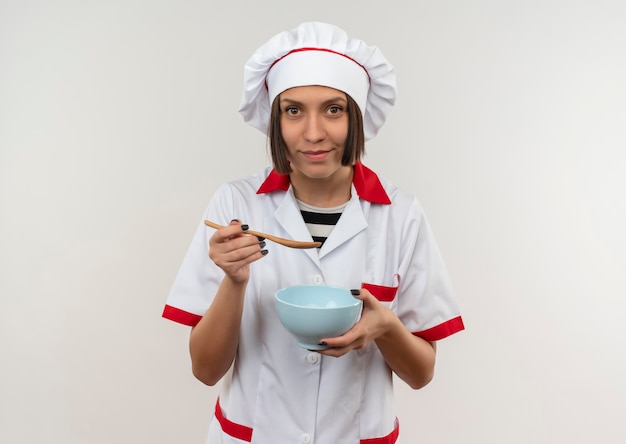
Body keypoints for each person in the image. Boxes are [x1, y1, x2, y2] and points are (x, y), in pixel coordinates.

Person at [163, 21, 464, 443]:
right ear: (275, 121)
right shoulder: (235, 206)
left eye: (333, 109)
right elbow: (205, 370)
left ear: (356, 116)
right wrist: (235, 280)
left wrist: (386, 328)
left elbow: (421, 374)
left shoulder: (402, 216)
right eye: (293, 110)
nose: (313, 133)